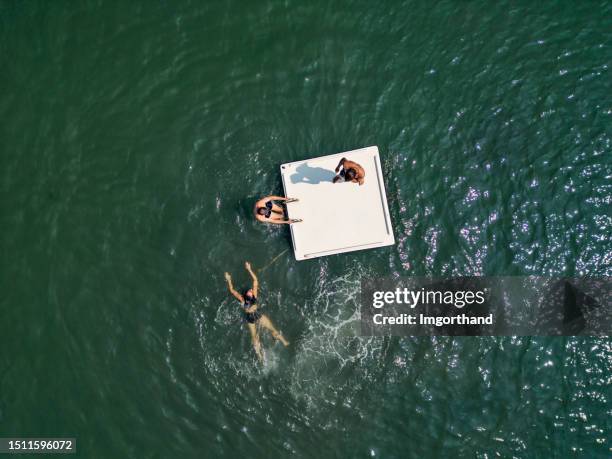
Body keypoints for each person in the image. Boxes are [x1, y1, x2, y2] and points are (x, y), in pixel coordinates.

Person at [224, 262, 289, 362]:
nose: (251, 290)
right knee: (255, 338)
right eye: (249, 291)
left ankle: (284, 342)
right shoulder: (243, 299)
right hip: (252, 318)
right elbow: (232, 291)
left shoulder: (250, 297)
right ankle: (259, 355)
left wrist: (249, 269)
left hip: (256, 315)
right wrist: (228, 279)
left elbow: (255, 281)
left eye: (250, 290)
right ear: (246, 294)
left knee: (272, 329)